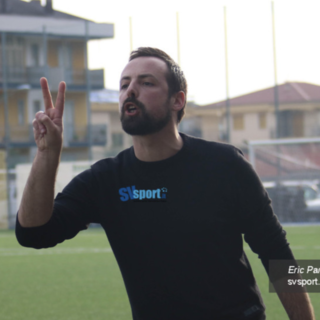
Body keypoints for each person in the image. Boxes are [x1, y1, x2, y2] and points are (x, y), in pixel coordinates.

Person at [16, 47, 315, 320]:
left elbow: (276, 252)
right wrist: (47, 153)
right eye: (124, 84)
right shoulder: (105, 180)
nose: (131, 90)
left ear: (178, 100)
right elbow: (33, 233)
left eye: (146, 83)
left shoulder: (225, 165)